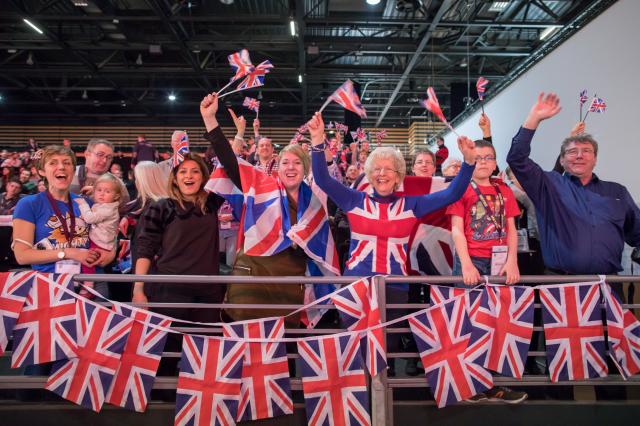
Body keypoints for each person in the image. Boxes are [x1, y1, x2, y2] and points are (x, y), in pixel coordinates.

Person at [309, 111, 476, 375]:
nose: (382, 173)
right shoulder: (353, 200)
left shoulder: (412, 205)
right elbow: (322, 179)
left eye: (389, 169)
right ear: (369, 174)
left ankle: (383, 399)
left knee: (388, 352)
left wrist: (468, 162)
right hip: (356, 288)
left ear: (398, 176)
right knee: (354, 353)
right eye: (377, 169)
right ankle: (360, 399)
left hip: (395, 288)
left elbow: (453, 192)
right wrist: (318, 140)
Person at [202, 95, 337, 326]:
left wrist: (317, 139)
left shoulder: (314, 203)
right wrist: (210, 120)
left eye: (297, 163)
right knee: (244, 343)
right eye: (285, 162)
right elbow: (231, 162)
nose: (291, 167)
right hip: (250, 285)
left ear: (306, 169)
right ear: (278, 166)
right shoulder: (260, 185)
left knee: (283, 346)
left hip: (288, 292)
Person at [506, 93, 640, 277]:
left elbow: (638, 233)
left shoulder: (617, 192)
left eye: (586, 151)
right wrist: (533, 119)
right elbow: (517, 159)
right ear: (562, 160)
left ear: (595, 159)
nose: (579, 155)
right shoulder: (548, 186)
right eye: (572, 152)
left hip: (608, 284)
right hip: (561, 285)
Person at [132, 152, 226, 323]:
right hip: (170, 291)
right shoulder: (161, 206)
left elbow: (230, 168)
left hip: (207, 292)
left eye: (195, 171)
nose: (189, 175)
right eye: (183, 171)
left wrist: (232, 138)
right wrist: (138, 289)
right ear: (175, 179)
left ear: (203, 178)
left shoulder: (210, 204)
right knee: (170, 340)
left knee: (205, 340)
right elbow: (145, 249)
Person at [12, 145, 115, 273]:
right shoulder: (29, 204)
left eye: (67, 163)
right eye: (53, 163)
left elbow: (110, 231)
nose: (61, 167)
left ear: (73, 170)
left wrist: (111, 252)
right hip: (51, 281)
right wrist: (68, 253)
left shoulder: (87, 203)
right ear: (42, 171)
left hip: (89, 279)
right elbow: (22, 256)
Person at [75, 173, 122, 297]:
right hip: (100, 238)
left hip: (101, 242)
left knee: (87, 257)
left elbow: (90, 218)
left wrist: (82, 204)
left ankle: (89, 285)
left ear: (116, 196)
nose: (102, 194)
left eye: (107, 191)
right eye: (99, 190)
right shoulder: (104, 204)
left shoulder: (108, 208)